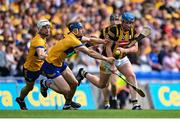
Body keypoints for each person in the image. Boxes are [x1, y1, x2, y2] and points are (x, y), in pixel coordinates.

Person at [40, 22, 114, 110]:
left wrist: (103, 41)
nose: (82, 30)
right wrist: (106, 59)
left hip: (60, 63)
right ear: (75, 31)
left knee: (74, 83)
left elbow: (90, 40)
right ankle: (45, 83)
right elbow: (90, 52)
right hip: (51, 65)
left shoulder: (75, 37)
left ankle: (67, 104)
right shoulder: (72, 40)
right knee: (66, 90)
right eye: (80, 29)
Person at [77, 12, 143, 110]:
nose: (129, 25)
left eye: (131, 23)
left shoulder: (132, 32)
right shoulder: (114, 30)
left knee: (131, 76)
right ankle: (83, 73)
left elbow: (135, 48)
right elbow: (107, 47)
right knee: (102, 84)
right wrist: (111, 62)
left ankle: (135, 104)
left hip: (122, 58)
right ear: (123, 21)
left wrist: (125, 50)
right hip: (108, 57)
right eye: (127, 23)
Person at [16, 19, 51, 110]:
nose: (48, 29)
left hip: (40, 66)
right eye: (45, 28)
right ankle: (20, 99)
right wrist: (51, 58)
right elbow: (40, 55)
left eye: (48, 27)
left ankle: (44, 84)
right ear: (39, 29)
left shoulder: (43, 38)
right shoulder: (38, 40)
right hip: (31, 69)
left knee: (56, 74)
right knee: (29, 87)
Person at [100, 13, 120, 109]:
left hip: (116, 59)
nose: (115, 22)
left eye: (117, 19)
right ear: (110, 21)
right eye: (113, 20)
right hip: (105, 58)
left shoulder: (122, 31)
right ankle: (106, 103)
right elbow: (99, 42)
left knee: (114, 83)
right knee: (105, 84)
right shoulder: (104, 31)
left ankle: (115, 98)